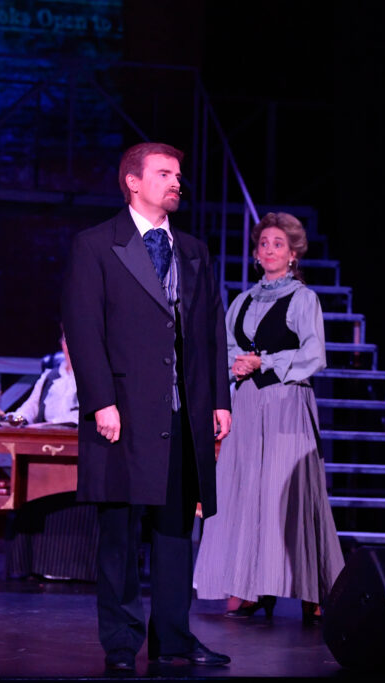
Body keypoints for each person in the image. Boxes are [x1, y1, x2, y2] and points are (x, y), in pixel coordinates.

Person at [61, 142, 232, 672]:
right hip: (124, 414)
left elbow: (209, 333)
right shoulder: (96, 245)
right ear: (133, 182)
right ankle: (119, 642)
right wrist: (100, 402)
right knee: (119, 532)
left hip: (182, 413)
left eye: (178, 174)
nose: (176, 181)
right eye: (164, 173)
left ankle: (175, 638)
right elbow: (83, 329)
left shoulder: (195, 251)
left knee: (177, 530)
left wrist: (218, 400)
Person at [193, 212, 345, 624]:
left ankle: (313, 587)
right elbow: (223, 349)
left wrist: (266, 362)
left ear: (293, 254)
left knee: (286, 494)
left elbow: (314, 354)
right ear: (256, 254)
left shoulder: (302, 299)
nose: (270, 250)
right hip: (246, 405)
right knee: (242, 492)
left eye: (279, 244)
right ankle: (247, 585)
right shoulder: (242, 301)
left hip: (285, 402)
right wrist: (235, 367)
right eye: (264, 244)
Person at [6, 333, 98, 582]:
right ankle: (34, 563)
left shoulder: (96, 374)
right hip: (45, 448)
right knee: (36, 489)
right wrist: (19, 418)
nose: (72, 347)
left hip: (82, 450)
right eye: (67, 341)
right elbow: (31, 406)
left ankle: (77, 568)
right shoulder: (49, 376)